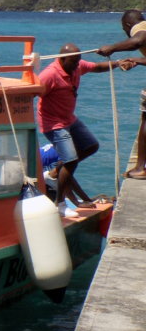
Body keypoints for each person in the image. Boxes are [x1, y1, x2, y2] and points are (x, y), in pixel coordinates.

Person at [37, 43, 122, 215]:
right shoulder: (50, 74)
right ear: (63, 59)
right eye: (74, 62)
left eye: (78, 61)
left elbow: (97, 67)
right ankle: (60, 204)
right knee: (70, 160)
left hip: (69, 119)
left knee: (91, 146)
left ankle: (54, 174)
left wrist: (118, 64)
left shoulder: (77, 66)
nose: (77, 65)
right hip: (53, 123)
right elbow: (33, 91)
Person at [97, 8, 146, 178]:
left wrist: (111, 48)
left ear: (127, 24)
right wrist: (136, 61)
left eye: (124, 29)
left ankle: (140, 168)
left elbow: (137, 41)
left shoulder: (139, 28)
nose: (126, 33)